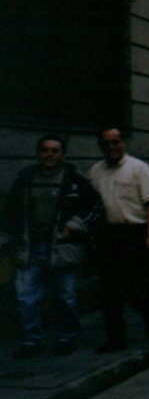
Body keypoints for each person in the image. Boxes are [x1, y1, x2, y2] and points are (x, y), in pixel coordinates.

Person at [0, 135, 102, 358]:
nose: (49, 154)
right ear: (38, 153)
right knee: (26, 297)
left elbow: (95, 206)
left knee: (65, 296)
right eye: (45, 150)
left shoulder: (75, 179)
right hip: (29, 249)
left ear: (62, 154)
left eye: (55, 151)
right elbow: (11, 210)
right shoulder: (26, 178)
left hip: (62, 248)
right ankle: (32, 340)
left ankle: (66, 337)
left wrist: (75, 224)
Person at [88, 127, 149, 353]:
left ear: (123, 143)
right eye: (107, 144)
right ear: (101, 146)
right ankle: (116, 338)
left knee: (136, 287)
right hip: (108, 235)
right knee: (109, 290)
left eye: (115, 142)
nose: (111, 147)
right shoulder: (96, 171)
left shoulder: (139, 169)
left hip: (134, 234)